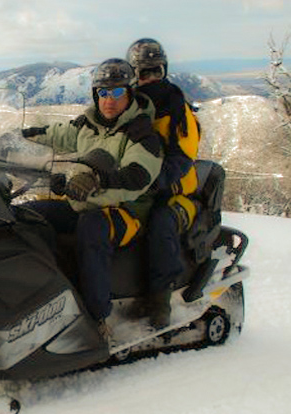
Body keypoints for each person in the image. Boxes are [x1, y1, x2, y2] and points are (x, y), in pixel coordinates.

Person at [22, 58, 163, 339]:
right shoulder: (88, 125)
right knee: (29, 215)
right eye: (103, 93)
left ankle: (96, 319)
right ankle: (47, 293)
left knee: (92, 228)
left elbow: (136, 178)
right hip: (84, 203)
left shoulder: (142, 134)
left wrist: (97, 181)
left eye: (117, 92)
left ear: (130, 93)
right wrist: (18, 137)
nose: (109, 100)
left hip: (127, 211)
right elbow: (57, 134)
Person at [126, 38, 201, 329]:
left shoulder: (177, 109)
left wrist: (152, 182)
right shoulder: (128, 107)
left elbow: (182, 158)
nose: (150, 79)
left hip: (176, 196)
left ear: (164, 70)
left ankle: (160, 300)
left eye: (155, 72)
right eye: (144, 73)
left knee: (160, 224)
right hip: (135, 189)